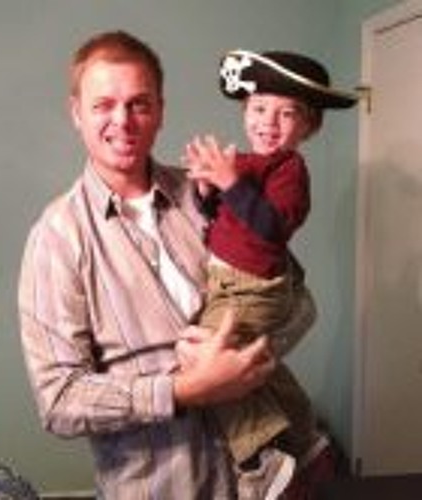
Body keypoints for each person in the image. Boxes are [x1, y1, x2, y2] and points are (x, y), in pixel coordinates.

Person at [17, 30, 333, 500]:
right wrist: (185, 389)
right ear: (77, 113)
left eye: (139, 104)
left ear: (160, 111)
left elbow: (299, 303)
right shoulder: (57, 238)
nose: (122, 120)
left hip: (264, 488)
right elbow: (59, 400)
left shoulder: (210, 191)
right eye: (103, 105)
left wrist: (246, 359)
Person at [181, 48, 357, 492]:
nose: (269, 122)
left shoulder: (289, 169)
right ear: (245, 111)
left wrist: (230, 183)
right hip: (228, 281)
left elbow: (272, 228)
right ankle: (308, 442)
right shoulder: (243, 162)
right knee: (257, 363)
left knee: (207, 356)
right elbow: (225, 218)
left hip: (252, 287)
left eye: (287, 113)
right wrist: (206, 190)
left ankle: (261, 458)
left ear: (309, 126)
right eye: (259, 108)